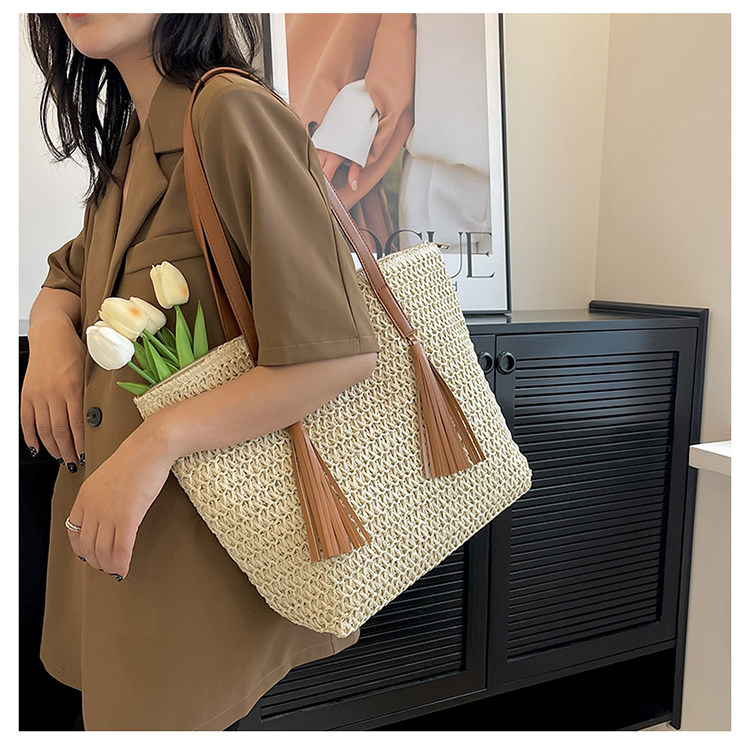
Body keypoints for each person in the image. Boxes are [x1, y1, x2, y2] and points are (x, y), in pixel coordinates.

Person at [20, 13, 380, 731]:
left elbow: (337, 351)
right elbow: (71, 273)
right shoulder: (135, 142)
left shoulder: (231, 113)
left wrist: (154, 444)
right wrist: (51, 339)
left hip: (202, 568)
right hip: (126, 557)